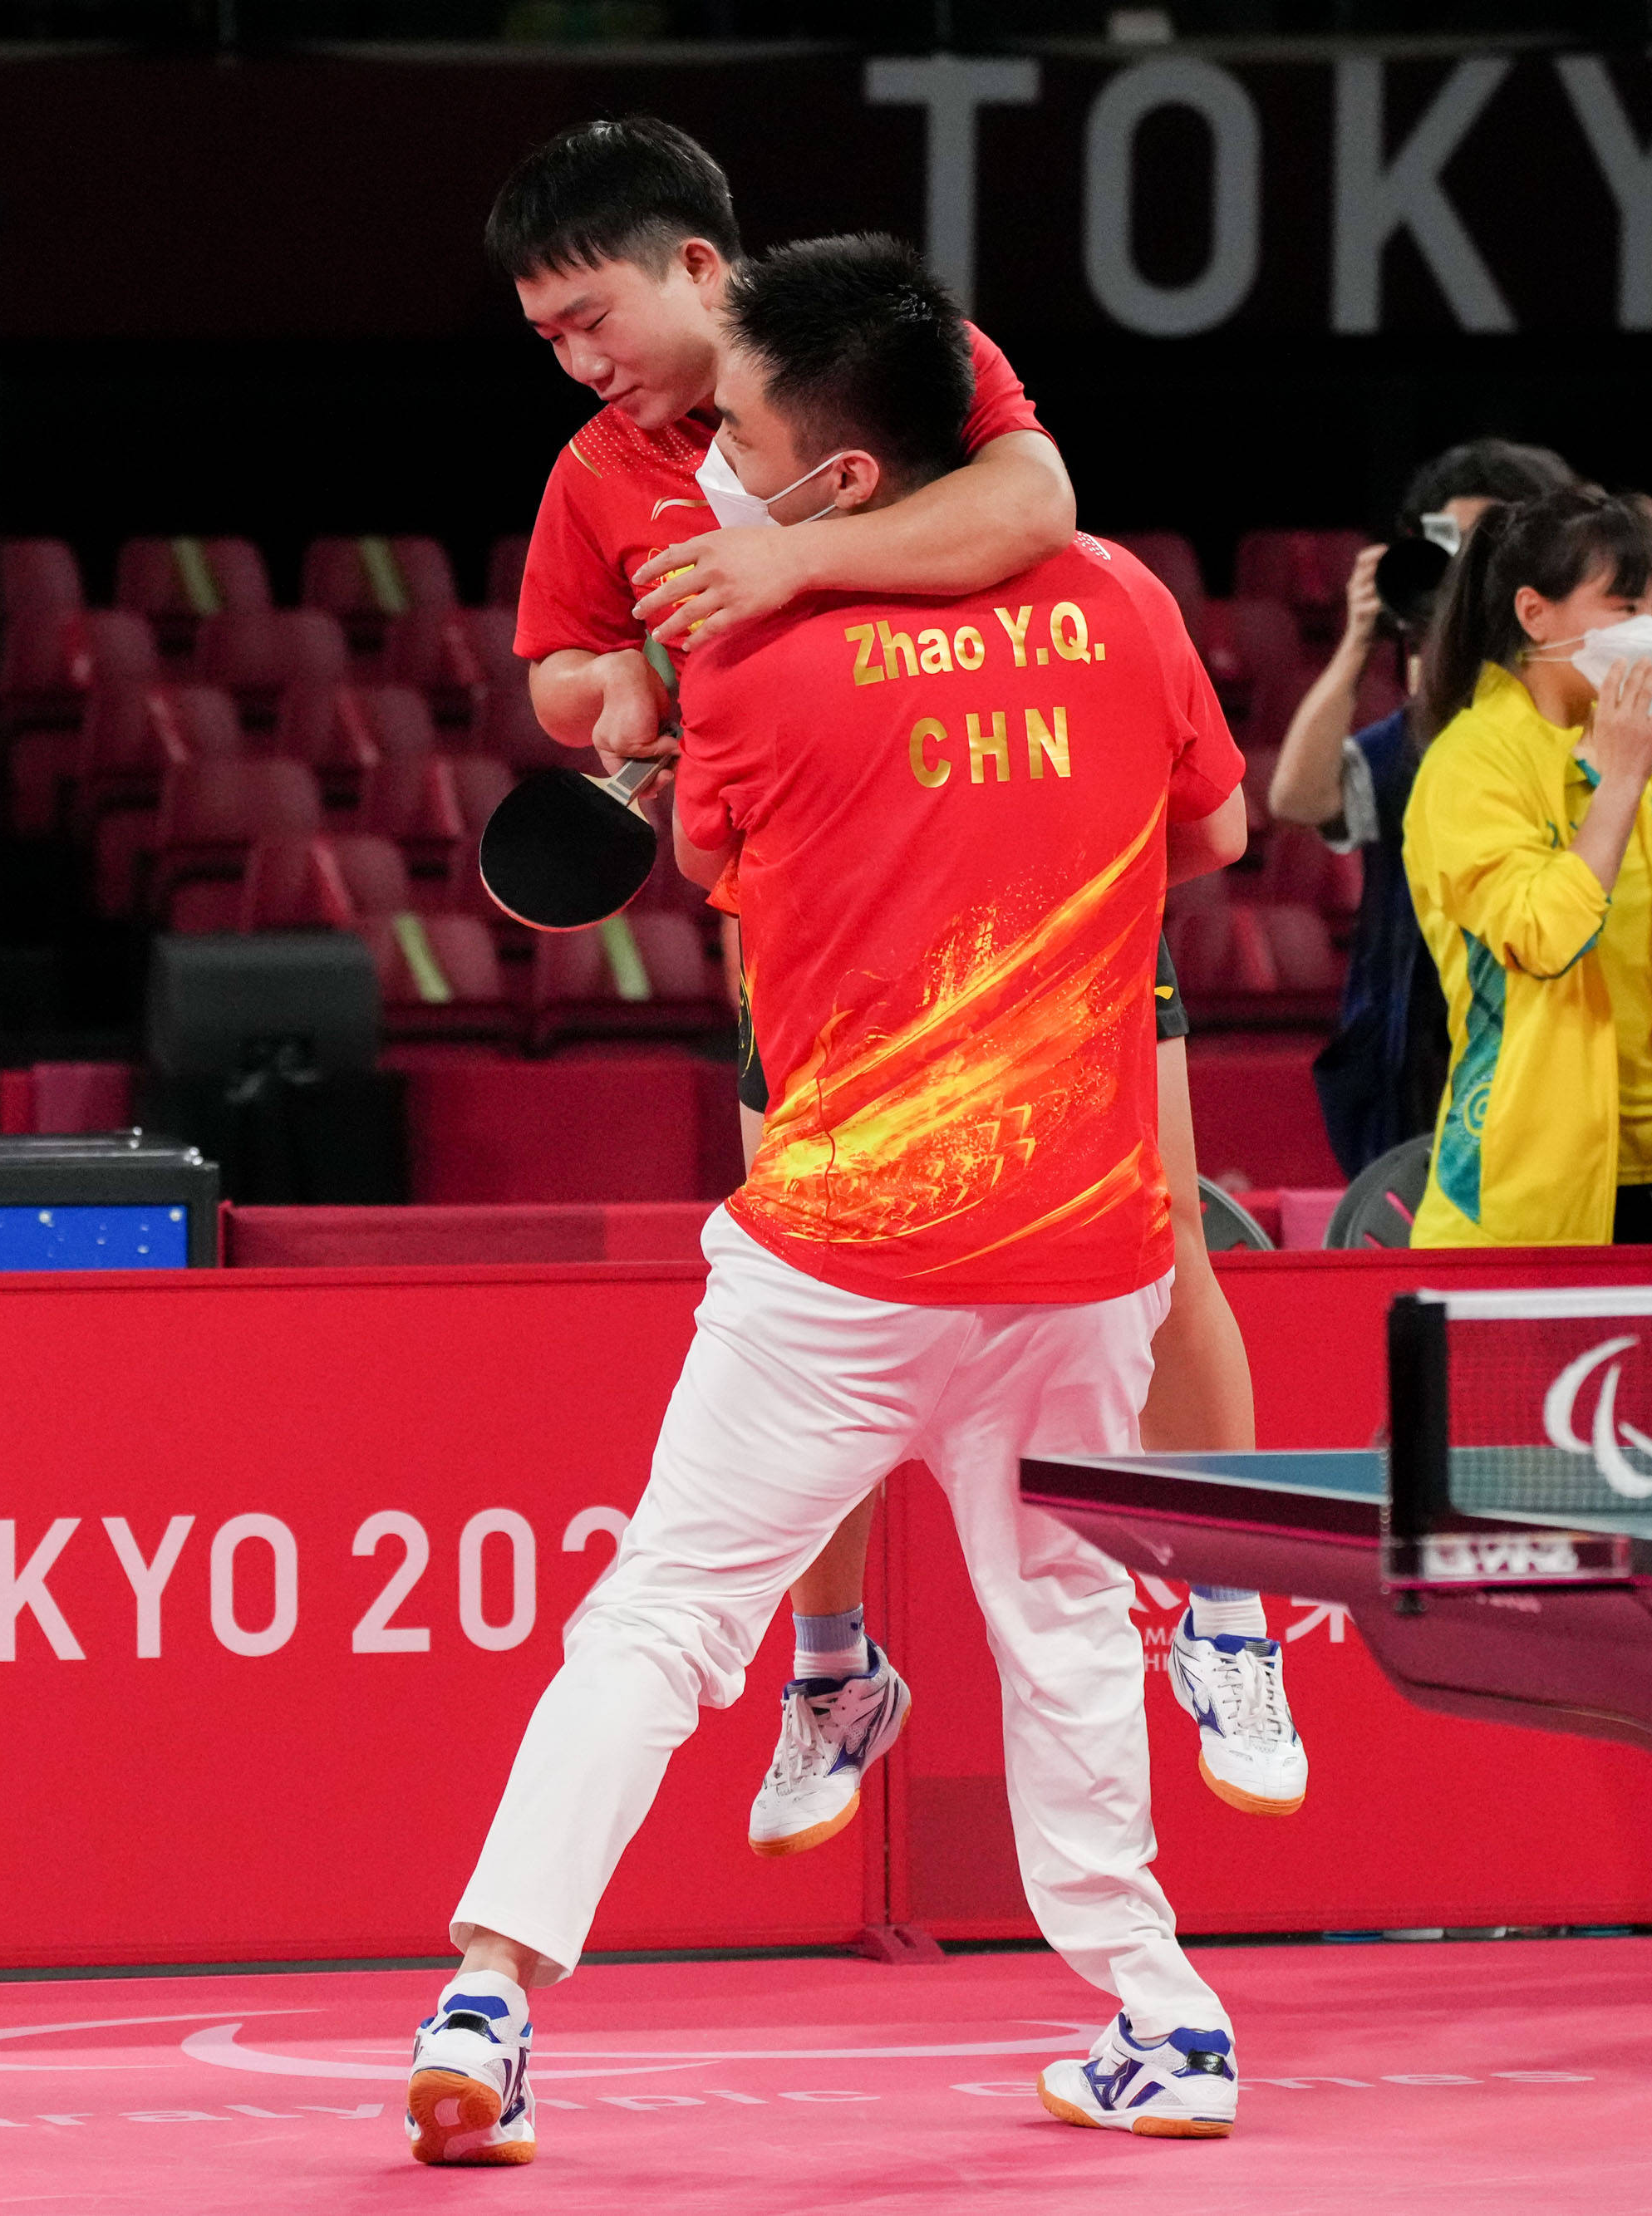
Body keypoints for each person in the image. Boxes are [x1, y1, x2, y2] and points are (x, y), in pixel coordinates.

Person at [405, 236, 1253, 2168]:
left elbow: (713, 860)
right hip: (1082, 1238)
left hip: (846, 1250)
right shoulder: (1121, 601)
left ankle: (489, 1998)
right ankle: (1163, 2017)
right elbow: (1209, 831)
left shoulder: (751, 669)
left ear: (841, 477)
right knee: (1055, 1623)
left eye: (744, 439)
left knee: (662, 1620)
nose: (706, 468)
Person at [484, 114, 1301, 1842]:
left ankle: (1224, 1599)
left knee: (1166, 1239)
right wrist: (615, 688)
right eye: (543, 335)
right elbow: (560, 665)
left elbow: (1036, 505)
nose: (575, 360)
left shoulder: (878, 357)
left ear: (694, 269)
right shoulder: (594, 471)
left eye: (590, 318)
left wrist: (783, 562)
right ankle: (835, 1663)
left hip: (1042, 893)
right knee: (816, 1330)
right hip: (824, 957)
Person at [1401, 487, 1652, 1246]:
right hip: (1536, 1184)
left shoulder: (1624, 745)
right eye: (1624, 608)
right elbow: (1544, 938)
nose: (1649, 634)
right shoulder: (1471, 765)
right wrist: (1621, 780)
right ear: (1535, 614)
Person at [1264, 439, 1578, 1177]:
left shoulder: (1585, 715)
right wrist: (1359, 638)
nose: (1468, 571)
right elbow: (1296, 797)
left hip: (1550, 1037)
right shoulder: (1410, 736)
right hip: (1419, 1052)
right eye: (1451, 546)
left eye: (1488, 547)